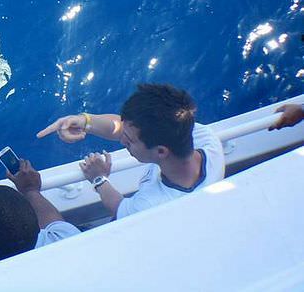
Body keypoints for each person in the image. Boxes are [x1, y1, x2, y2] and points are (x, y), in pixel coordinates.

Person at [37, 83, 224, 219]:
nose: (122, 140)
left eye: (129, 140)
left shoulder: (149, 205)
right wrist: (85, 121)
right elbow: (123, 127)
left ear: (160, 152)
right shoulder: (203, 137)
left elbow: (119, 209)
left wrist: (99, 179)